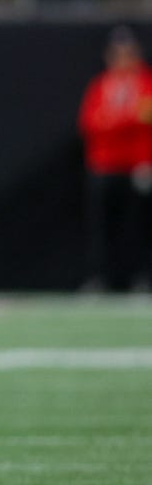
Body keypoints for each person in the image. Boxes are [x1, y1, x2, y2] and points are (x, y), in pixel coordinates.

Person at [77, 26, 152, 291]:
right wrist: (127, 118)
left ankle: (142, 278)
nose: (123, 59)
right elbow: (90, 124)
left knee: (138, 227)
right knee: (101, 228)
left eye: (128, 53)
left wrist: (145, 160)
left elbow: (146, 124)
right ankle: (99, 278)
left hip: (135, 167)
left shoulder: (146, 83)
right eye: (118, 53)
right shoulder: (100, 86)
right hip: (104, 165)